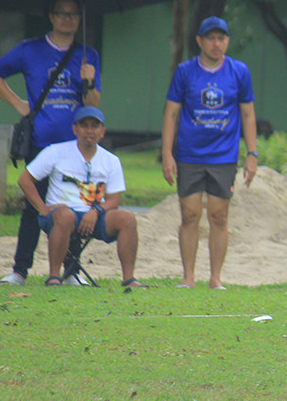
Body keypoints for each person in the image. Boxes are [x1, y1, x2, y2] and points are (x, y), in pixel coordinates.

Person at [0, 0, 101, 286]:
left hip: (75, 144)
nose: (67, 19)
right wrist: (18, 103)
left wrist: (89, 80)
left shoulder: (88, 55)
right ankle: (19, 270)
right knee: (33, 206)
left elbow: (93, 104)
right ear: (51, 16)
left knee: (73, 205)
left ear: (80, 19)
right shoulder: (30, 49)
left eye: (73, 14)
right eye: (61, 12)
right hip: (40, 140)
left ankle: (71, 271)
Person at [161, 16, 258, 290]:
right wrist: (167, 153)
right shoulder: (185, 71)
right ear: (199, 41)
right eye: (211, 38)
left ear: (227, 41)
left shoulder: (239, 71)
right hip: (189, 154)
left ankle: (215, 278)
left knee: (219, 216)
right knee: (189, 214)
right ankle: (188, 278)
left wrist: (252, 153)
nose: (217, 44)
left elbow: (248, 114)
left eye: (221, 38)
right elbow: (171, 113)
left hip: (223, 156)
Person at [17, 107, 145, 288]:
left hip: (95, 215)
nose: (89, 131)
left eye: (95, 126)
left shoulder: (111, 160)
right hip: (60, 214)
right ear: (74, 129)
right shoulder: (55, 151)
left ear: (102, 131)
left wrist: (95, 211)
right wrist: (43, 209)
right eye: (84, 126)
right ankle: (54, 276)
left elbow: (114, 200)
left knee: (127, 218)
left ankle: (129, 279)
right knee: (65, 216)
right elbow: (25, 180)